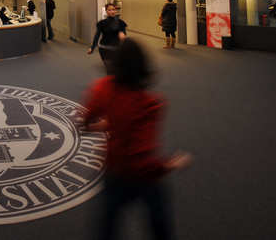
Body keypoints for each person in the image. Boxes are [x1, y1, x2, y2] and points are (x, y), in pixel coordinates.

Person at [75, 38, 192, 240]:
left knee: (106, 226)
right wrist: (171, 164)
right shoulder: (152, 105)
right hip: (143, 178)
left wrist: (102, 125)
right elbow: (142, 160)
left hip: (113, 168)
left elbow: (85, 122)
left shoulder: (102, 88)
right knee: (159, 222)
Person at [88, 3, 127, 72]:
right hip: (104, 48)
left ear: (116, 11)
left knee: (116, 69)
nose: (112, 11)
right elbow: (97, 36)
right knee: (110, 69)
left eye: (113, 9)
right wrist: (92, 47)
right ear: (106, 11)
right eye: (109, 10)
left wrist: (123, 36)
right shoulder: (101, 23)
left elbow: (124, 35)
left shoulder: (121, 23)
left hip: (116, 49)